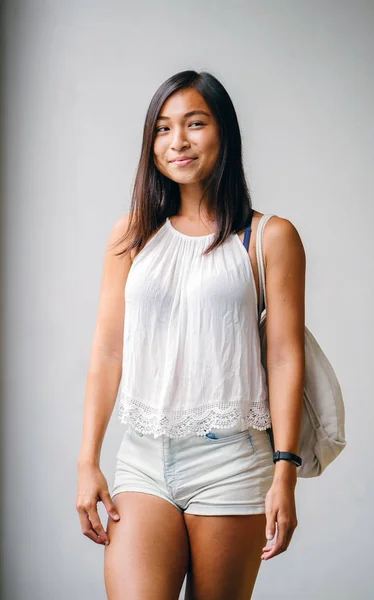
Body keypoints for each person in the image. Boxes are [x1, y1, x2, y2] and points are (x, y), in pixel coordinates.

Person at [76, 70, 306, 600]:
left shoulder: (269, 237)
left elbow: (285, 358)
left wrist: (285, 471)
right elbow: (109, 349)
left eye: (194, 123)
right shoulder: (132, 234)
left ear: (223, 131)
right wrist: (87, 459)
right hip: (142, 458)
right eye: (162, 128)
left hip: (231, 463)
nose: (176, 141)